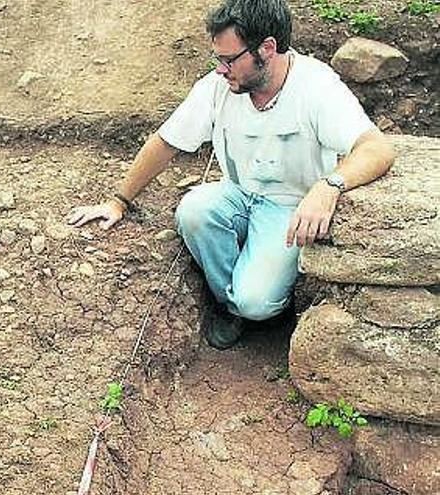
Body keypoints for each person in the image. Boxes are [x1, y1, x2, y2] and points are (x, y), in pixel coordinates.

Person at [66, 0, 395, 349]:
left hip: (289, 209)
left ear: (267, 49)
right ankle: (231, 305)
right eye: (217, 59)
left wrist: (329, 186)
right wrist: (118, 201)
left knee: (257, 301)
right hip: (237, 193)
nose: (221, 70)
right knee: (194, 210)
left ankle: (265, 307)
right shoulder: (218, 87)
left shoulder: (316, 87)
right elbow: (165, 142)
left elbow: (377, 148)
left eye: (228, 60)